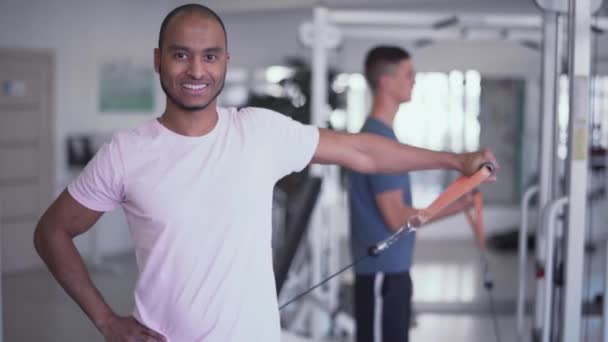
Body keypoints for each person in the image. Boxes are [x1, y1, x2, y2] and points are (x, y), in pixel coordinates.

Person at [33, 4, 498, 342]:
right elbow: (52, 232)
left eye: (210, 56)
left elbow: (364, 152)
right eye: (181, 55)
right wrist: (106, 321)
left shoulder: (258, 131)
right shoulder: (125, 153)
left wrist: (456, 161)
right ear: (158, 60)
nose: (196, 69)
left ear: (225, 63)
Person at [349, 46, 479, 342]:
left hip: (389, 273)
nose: (414, 80)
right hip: (382, 274)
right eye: (408, 74)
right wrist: (457, 205)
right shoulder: (378, 142)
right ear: (386, 81)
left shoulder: (381, 137)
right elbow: (397, 217)